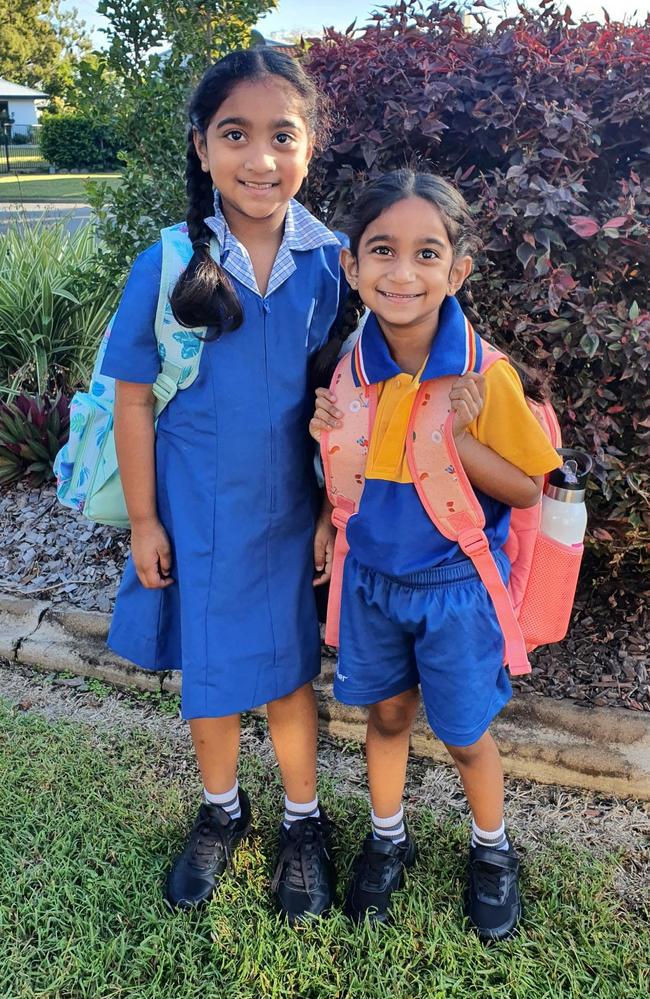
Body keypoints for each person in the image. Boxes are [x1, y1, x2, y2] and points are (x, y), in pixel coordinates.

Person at [101, 48, 345, 921]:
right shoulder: (168, 262)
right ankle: (220, 810)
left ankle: (303, 821)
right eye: (235, 134)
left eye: (283, 135)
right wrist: (142, 519)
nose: (260, 159)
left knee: (285, 674)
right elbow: (132, 401)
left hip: (289, 512)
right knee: (209, 672)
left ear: (310, 147)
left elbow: (342, 397)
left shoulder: (333, 263)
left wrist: (328, 512)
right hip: (194, 514)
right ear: (202, 148)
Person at [309, 169, 562, 939]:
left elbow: (525, 489)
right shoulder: (348, 368)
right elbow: (355, 463)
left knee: (462, 732)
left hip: (455, 589)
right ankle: (388, 837)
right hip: (374, 583)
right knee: (385, 718)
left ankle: (492, 848)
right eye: (381, 250)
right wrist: (326, 508)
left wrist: (459, 437)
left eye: (427, 253)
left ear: (456, 271)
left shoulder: (486, 376)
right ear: (352, 267)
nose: (403, 271)